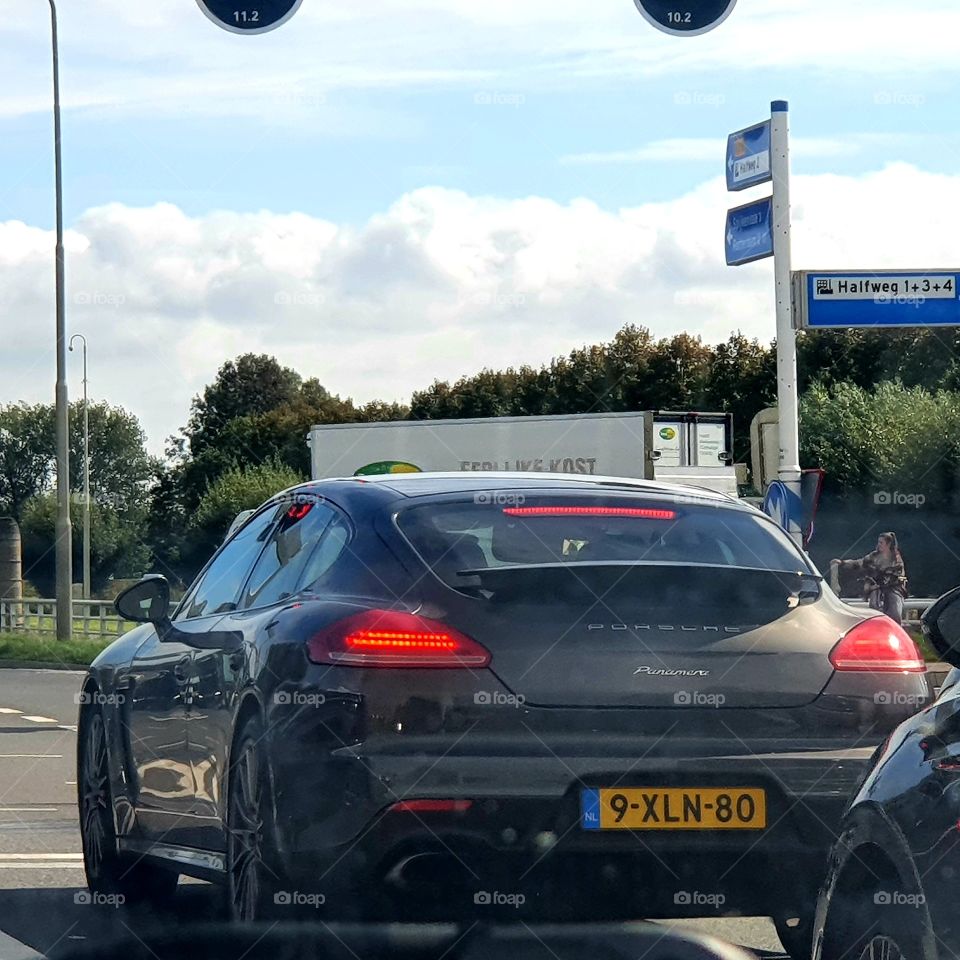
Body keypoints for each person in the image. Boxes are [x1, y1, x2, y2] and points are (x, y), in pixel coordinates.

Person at [833, 532, 908, 623]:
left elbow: (898, 577)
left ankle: (895, 627)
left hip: (894, 589)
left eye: (881, 543)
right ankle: (876, 624)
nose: (878, 545)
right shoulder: (874, 556)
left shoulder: (896, 559)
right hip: (877, 587)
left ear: (888, 544)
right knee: (874, 603)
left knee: (894, 608)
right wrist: (842, 562)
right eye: (878, 542)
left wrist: (882, 583)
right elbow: (859, 563)